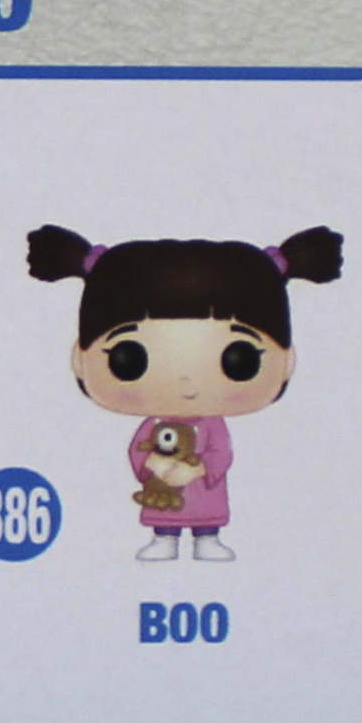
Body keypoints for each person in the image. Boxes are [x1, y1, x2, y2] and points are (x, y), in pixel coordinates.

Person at [26, 221, 342, 561]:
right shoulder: (153, 425)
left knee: (208, 517)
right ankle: (165, 537)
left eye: (239, 360)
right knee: (163, 516)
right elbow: (137, 450)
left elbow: (221, 453)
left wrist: (201, 469)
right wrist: (152, 464)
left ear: (286, 361)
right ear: (80, 359)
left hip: (205, 490)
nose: (186, 383)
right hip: (162, 488)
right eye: (129, 359)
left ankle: (208, 538)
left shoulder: (211, 427)